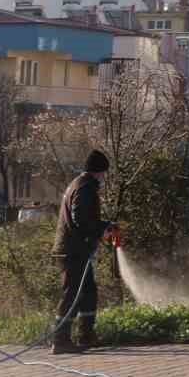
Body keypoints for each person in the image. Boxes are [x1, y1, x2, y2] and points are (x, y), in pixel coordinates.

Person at [51, 149, 116, 355]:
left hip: (74, 250)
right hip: (72, 251)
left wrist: (103, 227)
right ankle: (60, 340)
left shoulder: (79, 184)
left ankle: (86, 336)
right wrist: (102, 228)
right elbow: (81, 219)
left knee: (88, 292)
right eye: (104, 173)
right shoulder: (86, 187)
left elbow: (83, 219)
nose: (104, 177)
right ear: (98, 171)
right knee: (72, 293)